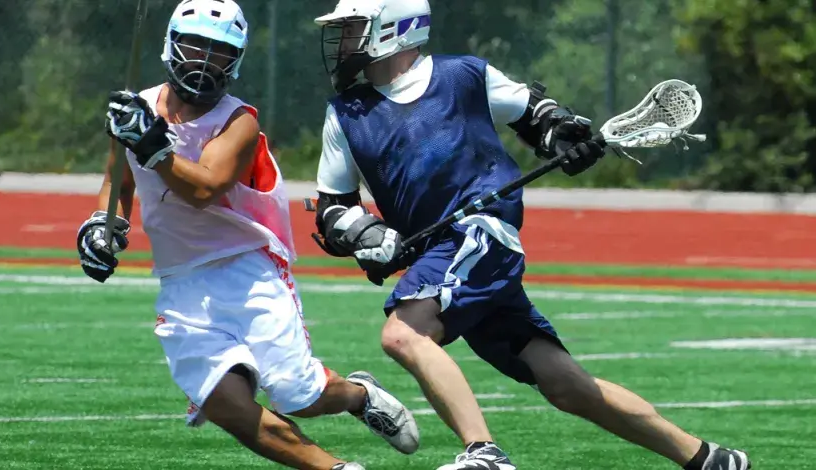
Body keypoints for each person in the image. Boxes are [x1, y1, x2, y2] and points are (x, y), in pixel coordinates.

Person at [310, 0, 751, 469]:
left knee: (403, 334)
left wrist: (563, 136)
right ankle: (708, 459)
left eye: (354, 28)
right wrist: (367, 233)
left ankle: (485, 454)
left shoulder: (463, 76)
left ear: (393, 29)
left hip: (481, 231)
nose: (345, 42)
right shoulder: (345, 114)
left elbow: (538, 115)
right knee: (565, 385)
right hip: (437, 250)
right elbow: (334, 207)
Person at [75, 1, 418, 468]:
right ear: (171, 45)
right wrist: (101, 225)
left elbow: (204, 188)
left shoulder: (239, 121)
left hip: (248, 270)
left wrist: (150, 140)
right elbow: (119, 183)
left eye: (218, 52)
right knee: (225, 405)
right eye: (195, 45)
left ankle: (359, 395)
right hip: (181, 284)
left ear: (235, 60)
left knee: (298, 394)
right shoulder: (134, 112)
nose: (203, 60)